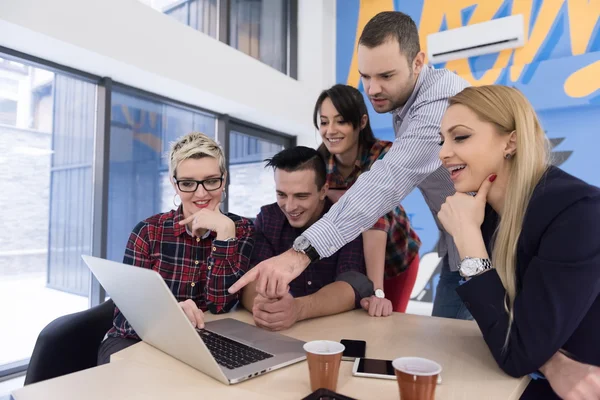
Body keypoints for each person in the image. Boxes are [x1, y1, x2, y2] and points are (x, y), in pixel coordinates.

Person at [229, 11, 473, 320]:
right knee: (453, 344)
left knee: (485, 352)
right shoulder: (324, 160)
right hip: (459, 247)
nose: (372, 90)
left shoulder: (436, 106)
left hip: (475, 250)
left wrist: (299, 255)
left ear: (417, 62)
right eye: (365, 76)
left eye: (386, 76)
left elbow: (383, 189)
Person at [436, 85, 600, 399]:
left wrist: (468, 241)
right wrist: (550, 361)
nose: (443, 152)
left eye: (460, 137)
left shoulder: (579, 213)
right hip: (534, 380)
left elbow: (515, 352)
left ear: (510, 141)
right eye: (441, 140)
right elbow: (508, 331)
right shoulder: (488, 215)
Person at [97, 132, 255, 364]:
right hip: (136, 341)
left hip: (205, 342)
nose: (201, 194)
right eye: (188, 183)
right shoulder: (149, 232)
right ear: (174, 183)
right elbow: (126, 317)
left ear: (224, 179)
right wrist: (169, 317)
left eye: (211, 181)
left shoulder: (241, 229)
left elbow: (222, 306)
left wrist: (225, 236)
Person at [315, 83, 420, 316]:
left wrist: (377, 292)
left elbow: (372, 212)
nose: (330, 130)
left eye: (340, 121)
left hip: (396, 259)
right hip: (352, 263)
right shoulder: (318, 164)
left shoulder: (384, 155)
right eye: (324, 122)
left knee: (385, 321)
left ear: (361, 122)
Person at [241, 146, 370, 331]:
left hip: (335, 331)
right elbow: (253, 277)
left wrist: (298, 309)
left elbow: (352, 285)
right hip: (281, 333)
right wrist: (263, 308)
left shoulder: (345, 219)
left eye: (301, 196)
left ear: (323, 190)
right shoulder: (268, 217)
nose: (290, 206)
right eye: (281, 195)